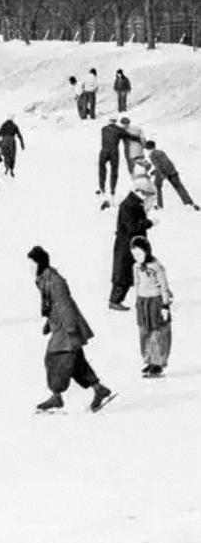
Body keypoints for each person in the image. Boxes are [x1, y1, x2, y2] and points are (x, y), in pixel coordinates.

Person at [29, 246, 117, 413]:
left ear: (39, 263)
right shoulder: (43, 279)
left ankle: (57, 396)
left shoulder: (54, 280)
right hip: (60, 325)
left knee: (55, 358)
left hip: (67, 328)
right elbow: (53, 305)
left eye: (32, 263)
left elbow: (65, 305)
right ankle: (99, 389)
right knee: (76, 361)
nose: (30, 268)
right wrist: (49, 322)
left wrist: (70, 330)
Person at [128, 236, 174, 378]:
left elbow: (164, 287)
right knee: (144, 331)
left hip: (156, 301)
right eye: (134, 255)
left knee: (157, 331)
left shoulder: (156, 267)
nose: (137, 258)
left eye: (140, 254)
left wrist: (165, 305)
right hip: (143, 301)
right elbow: (136, 284)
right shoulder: (135, 267)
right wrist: (138, 301)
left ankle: (158, 362)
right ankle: (149, 359)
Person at [109, 175, 154, 311]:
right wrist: (149, 223)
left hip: (132, 244)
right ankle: (115, 301)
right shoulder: (129, 205)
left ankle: (140, 300)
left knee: (137, 273)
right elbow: (133, 227)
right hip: (127, 245)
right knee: (124, 275)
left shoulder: (133, 203)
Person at [143, 140, 199, 210]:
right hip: (172, 171)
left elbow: (158, 165)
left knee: (157, 186)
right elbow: (165, 162)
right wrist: (155, 171)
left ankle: (159, 205)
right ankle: (190, 204)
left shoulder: (152, 155)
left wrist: (162, 174)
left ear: (148, 147)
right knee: (180, 188)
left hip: (164, 172)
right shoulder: (161, 152)